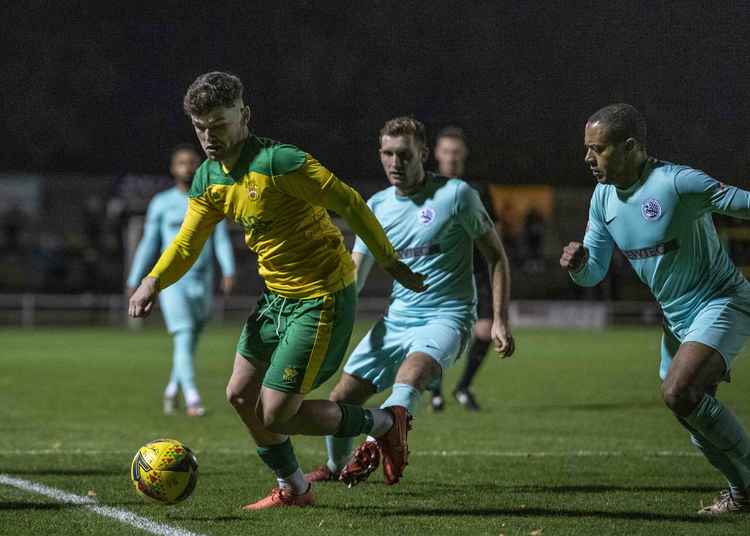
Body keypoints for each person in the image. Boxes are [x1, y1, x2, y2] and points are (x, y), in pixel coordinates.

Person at [128, 71, 425, 510]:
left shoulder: (280, 162)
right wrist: (153, 280)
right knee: (239, 395)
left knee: (275, 412)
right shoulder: (209, 178)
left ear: (244, 115)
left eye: (219, 123)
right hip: (276, 300)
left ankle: (384, 423)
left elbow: (349, 202)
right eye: (200, 127)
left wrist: (390, 262)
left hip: (321, 298)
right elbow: (189, 242)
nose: (209, 136)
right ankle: (295, 488)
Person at [561, 103, 750, 515]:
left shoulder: (677, 183)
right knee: (690, 413)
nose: (588, 159)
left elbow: (743, 204)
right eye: (587, 149)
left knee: (679, 392)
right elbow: (594, 271)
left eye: (598, 149)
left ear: (631, 147)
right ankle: (742, 493)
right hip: (676, 319)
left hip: (721, 300)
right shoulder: (602, 198)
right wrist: (578, 266)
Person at [305, 117, 514, 486]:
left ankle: (377, 440)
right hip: (396, 319)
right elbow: (356, 272)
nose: (394, 163)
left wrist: (498, 319)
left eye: (403, 154)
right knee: (341, 398)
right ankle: (336, 467)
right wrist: (329, 314)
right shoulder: (377, 206)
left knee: (412, 374)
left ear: (423, 153)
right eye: (387, 153)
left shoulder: (457, 195)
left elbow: (496, 256)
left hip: (447, 316)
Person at [127, 144, 236, 416]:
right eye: (181, 162)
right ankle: (192, 398)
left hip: (203, 279)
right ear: (173, 169)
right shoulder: (161, 203)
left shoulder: (210, 199)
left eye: (192, 162)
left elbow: (220, 238)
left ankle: (172, 389)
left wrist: (229, 270)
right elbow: (149, 242)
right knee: (184, 334)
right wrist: (135, 277)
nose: (187, 167)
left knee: (192, 337)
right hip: (174, 282)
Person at [428, 126, 498, 412]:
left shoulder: (478, 191)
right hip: (441, 273)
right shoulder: (427, 188)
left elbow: (495, 232)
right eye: (446, 151)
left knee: (485, 331)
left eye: (456, 152)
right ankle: (434, 391)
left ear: (464, 154)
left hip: (477, 272)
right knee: (438, 335)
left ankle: (463, 387)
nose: (452, 157)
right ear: (436, 154)